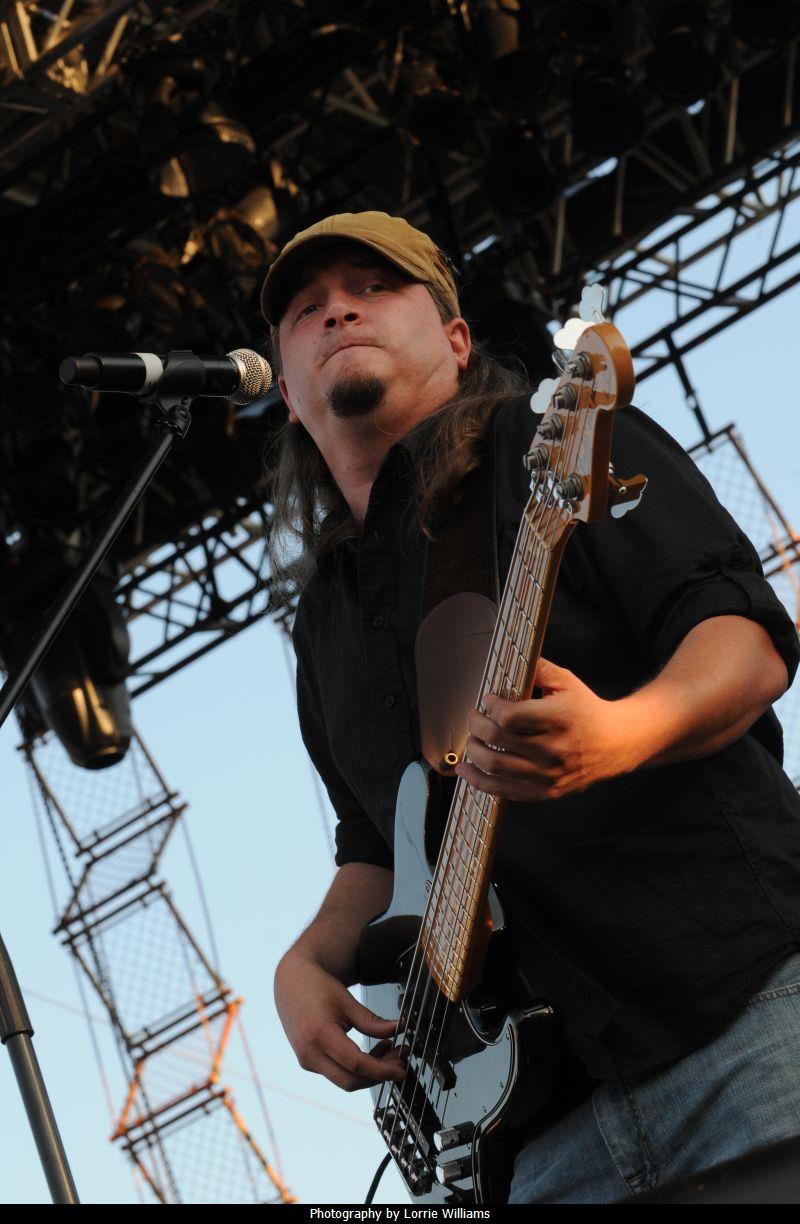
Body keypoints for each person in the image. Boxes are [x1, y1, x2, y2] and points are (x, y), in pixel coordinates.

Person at [263, 211, 800, 1203]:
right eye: (306, 309)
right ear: (288, 396)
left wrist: (624, 731)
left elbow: (740, 636)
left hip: (743, 1013)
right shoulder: (321, 623)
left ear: (456, 340)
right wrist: (305, 961)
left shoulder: (546, 448)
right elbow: (375, 848)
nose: (338, 310)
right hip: (533, 1132)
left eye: (373, 288)